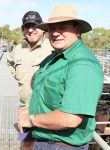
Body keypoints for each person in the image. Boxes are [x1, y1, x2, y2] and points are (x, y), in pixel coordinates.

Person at [18, 4, 104, 150]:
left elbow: (70, 118)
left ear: (78, 31)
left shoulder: (82, 65)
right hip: (44, 140)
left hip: (62, 145)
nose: (56, 33)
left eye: (62, 27)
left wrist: (31, 119)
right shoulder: (54, 57)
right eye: (52, 28)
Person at [7, 11, 52, 149]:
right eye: (27, 26)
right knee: (26, 144)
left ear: (42, 28)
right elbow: (10, 63)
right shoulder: (18, 49)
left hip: (46, 112)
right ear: (23, 29)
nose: (31, 30)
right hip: (24, 109)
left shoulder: (52, 47)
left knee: (45, 145)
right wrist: (21, 78)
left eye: (34, 26)